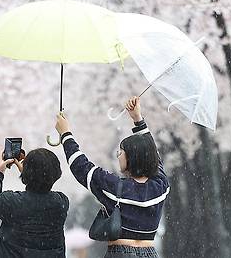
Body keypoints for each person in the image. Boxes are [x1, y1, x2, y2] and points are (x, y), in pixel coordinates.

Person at [55, 96, 169, 258]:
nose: (118, 155)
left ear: (132, 157)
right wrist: (138, 120)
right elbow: (153, 157)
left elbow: (81, 167)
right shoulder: (160, 186)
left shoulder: (115, 187)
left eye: (121, 152)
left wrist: (66, 134)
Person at [0, 147, 69, 257]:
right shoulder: (61, 203)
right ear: (57, 174)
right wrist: (30, 174)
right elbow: (40, 187)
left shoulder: (12, 202)